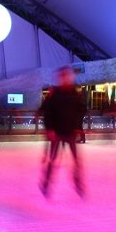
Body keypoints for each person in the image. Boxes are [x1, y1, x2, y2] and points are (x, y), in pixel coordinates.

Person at [39, 66, 86, 197]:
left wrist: (77, 125)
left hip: (70, 132)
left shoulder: (74, 93)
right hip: (57, 133)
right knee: (52, 160)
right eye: (63, 76)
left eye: (67, 76)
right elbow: (47, 113)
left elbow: (81, 110)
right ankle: (46, 184)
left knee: (76, 161)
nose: (65, 79)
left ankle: (78, 184)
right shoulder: (54, 94)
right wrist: (50, 129)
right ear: (60, 78)